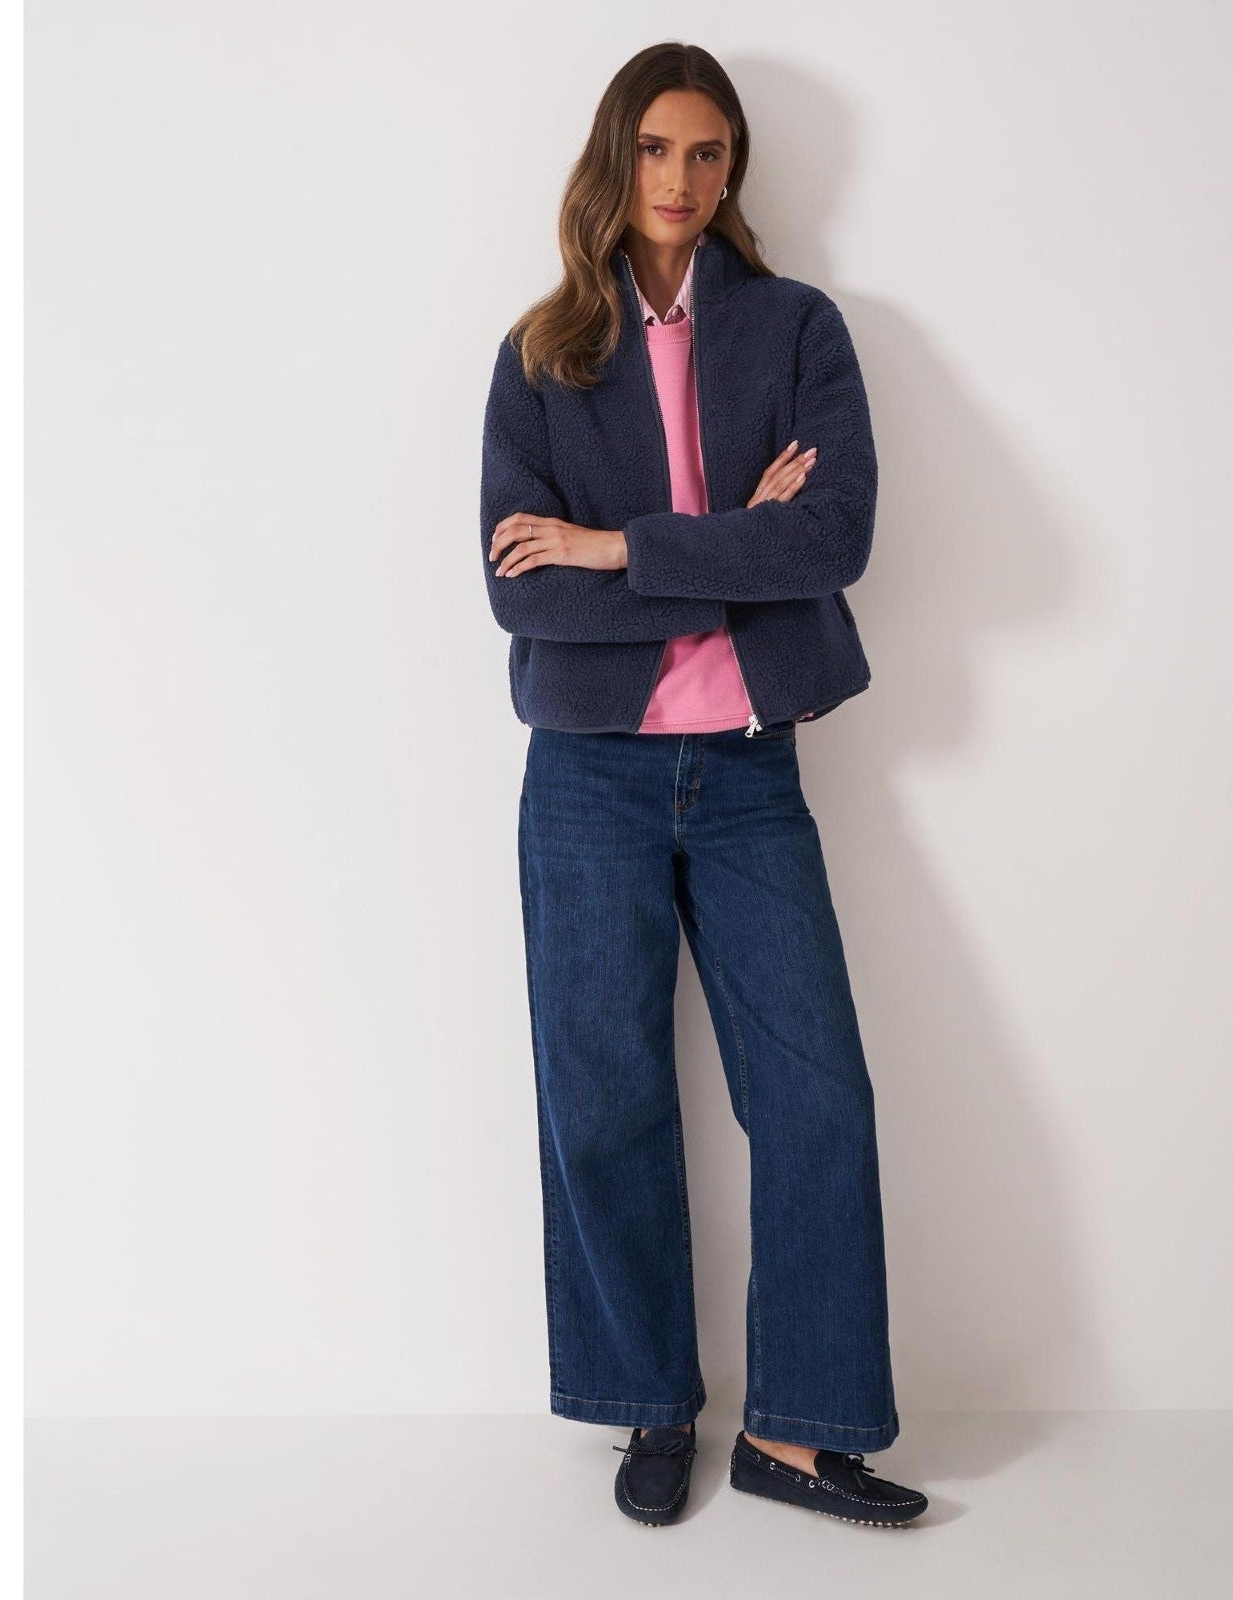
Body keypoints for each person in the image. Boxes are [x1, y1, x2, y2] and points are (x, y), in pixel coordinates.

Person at [479, 41, 928, 1530]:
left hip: (746, 770)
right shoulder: (543, 352)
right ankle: (649, 1405)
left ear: (734, 168)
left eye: (708, 152)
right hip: (588, 777)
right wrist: (731, 544)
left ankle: (795, 1436)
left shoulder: (797, 331)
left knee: (816, 1097)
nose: (681, 179)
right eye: (658, 148)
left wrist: (620, 545)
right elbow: (522, 591)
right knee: (603, 1098)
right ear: (619, 158)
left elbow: (832, 540)